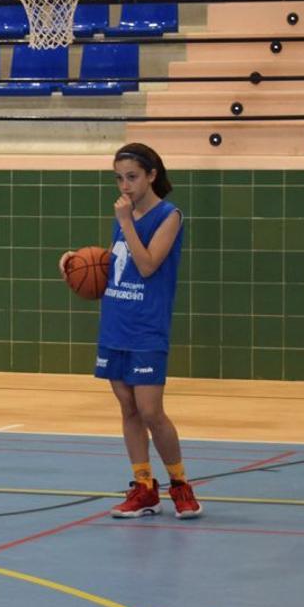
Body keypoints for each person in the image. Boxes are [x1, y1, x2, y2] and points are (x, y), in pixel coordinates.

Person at [60, 143, 201, 520]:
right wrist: (76, 267)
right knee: (128, 407)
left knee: (152, 410)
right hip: (116, 321)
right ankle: (143, 487)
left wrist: (126, 223)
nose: (125, 185)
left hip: (147, 325)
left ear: (152, 175)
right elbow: (114, 268)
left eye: (132, 177)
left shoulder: (170, 216)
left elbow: (149, 264)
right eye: (119, 178)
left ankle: (180, 484)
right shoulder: (123, 215)